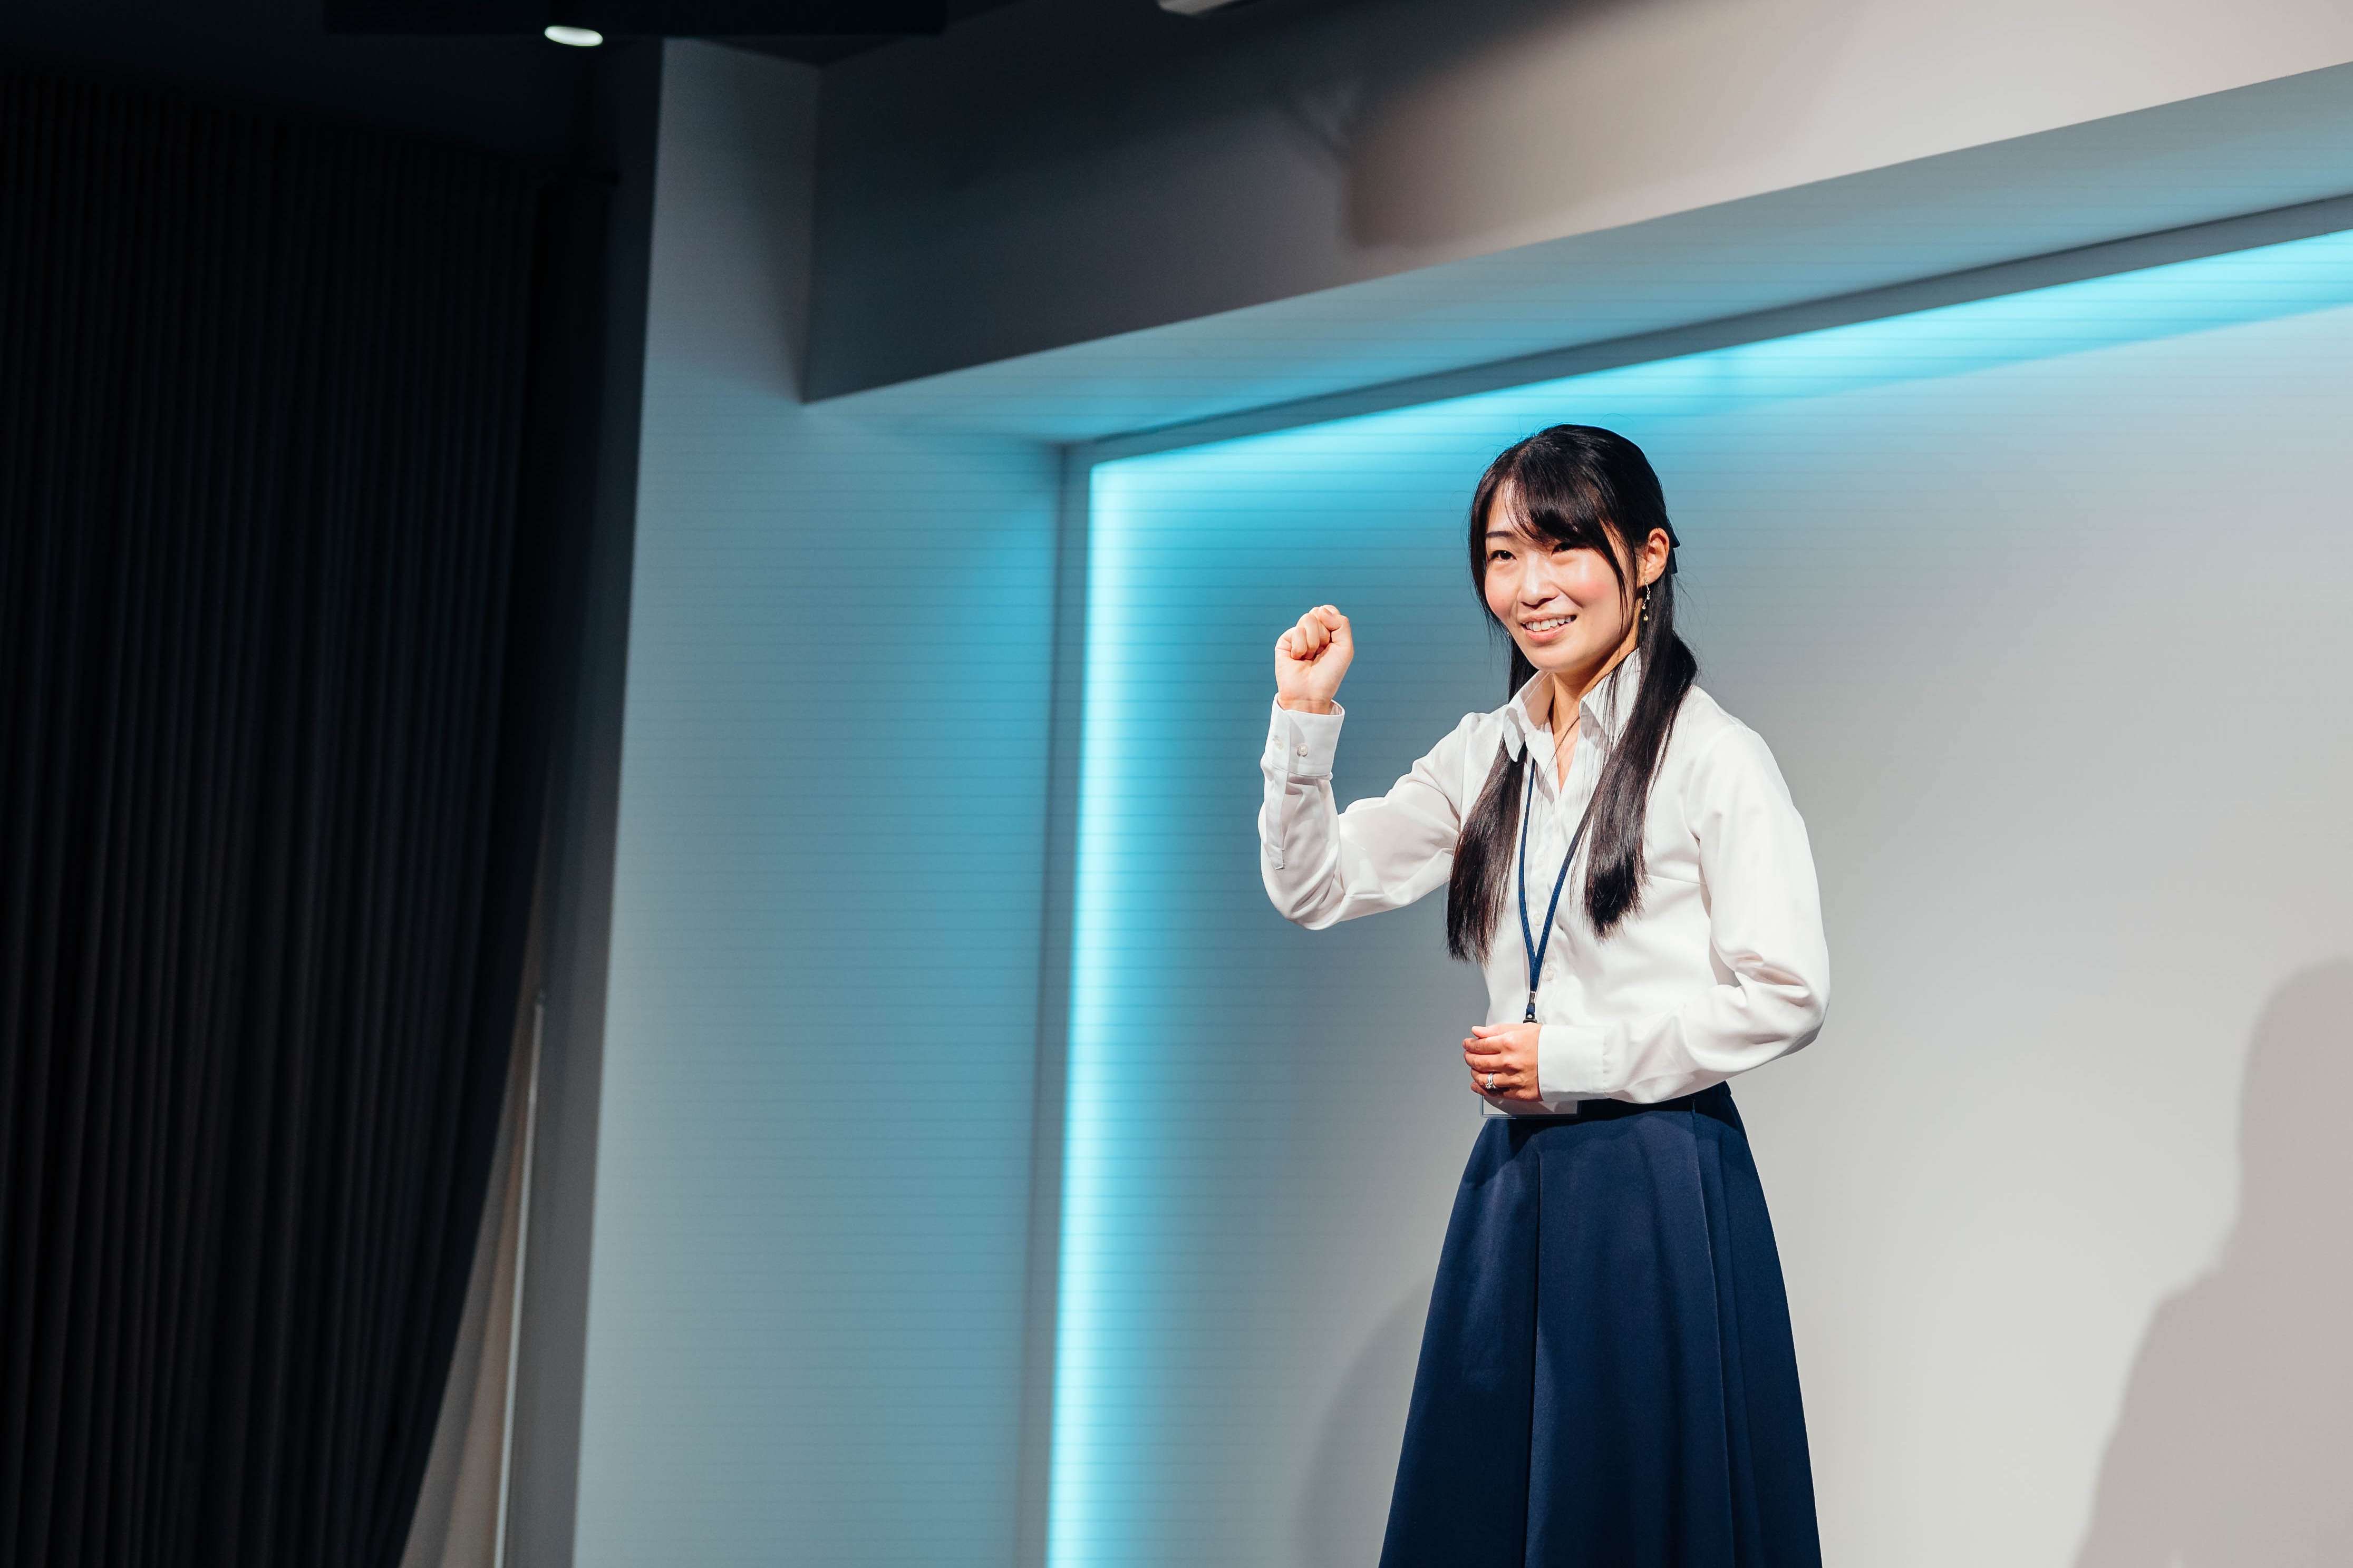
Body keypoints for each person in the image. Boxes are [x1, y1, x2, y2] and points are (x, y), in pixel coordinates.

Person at [1258, 425, 1829, 1567]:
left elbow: (1788, 991)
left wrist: (1571, 1057)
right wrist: (1304, 719)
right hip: (1515, 1182)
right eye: (1503, 555)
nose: (1531, 587)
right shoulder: (1490, 752)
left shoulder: (1714, 755)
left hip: (1656, 1183)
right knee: (1493, 1510)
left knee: (1630, 1512)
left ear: (1648, 557)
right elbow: (1316, 886)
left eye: (1564, 547)